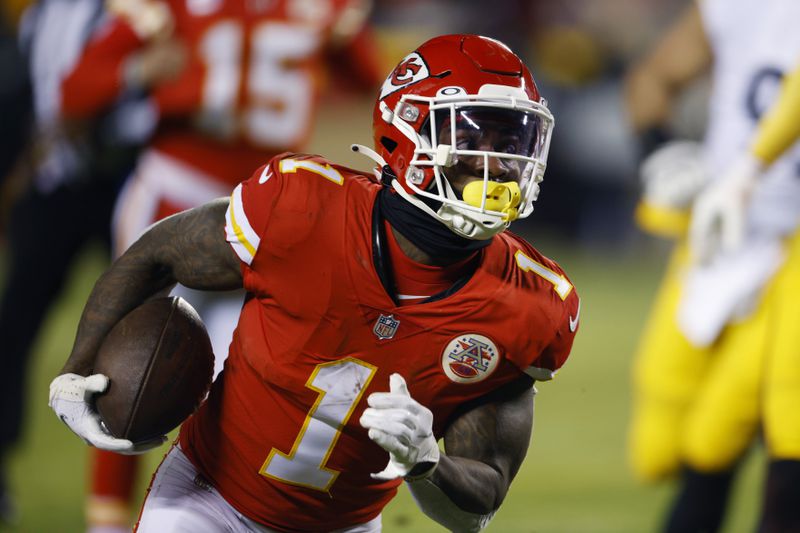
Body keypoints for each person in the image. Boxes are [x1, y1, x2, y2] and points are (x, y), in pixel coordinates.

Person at [48, 34, 580, 532]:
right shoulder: (301, 207)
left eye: (512, 138)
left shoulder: (530, 304)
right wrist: (76, 368)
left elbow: (476, 506)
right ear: (406, 135)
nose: (501, 163)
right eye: (471, 136)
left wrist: (428, 466)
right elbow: (156, 254)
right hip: (208, 500)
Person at [58, 0, 383, 529]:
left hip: (268, 215)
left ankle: (218, 512)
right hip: (179, 195)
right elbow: (76, 92)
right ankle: (109, 521)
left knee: (249, 374)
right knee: (126, 363)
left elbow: (373, 79)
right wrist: (139, 70)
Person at [624, 1, 800, 531]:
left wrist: (750, 168)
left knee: (786, 430)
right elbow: (649, 81)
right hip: (724, 236)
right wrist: (660, 150)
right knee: (672, 447)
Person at [0, 0, 166, 523]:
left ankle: (157, 493)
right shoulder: (38, 14)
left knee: (145, 327)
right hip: (53, 182)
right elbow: (28, 92)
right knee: (13, 327)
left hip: (120, 176)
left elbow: (162, 80)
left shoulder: (134, 10)